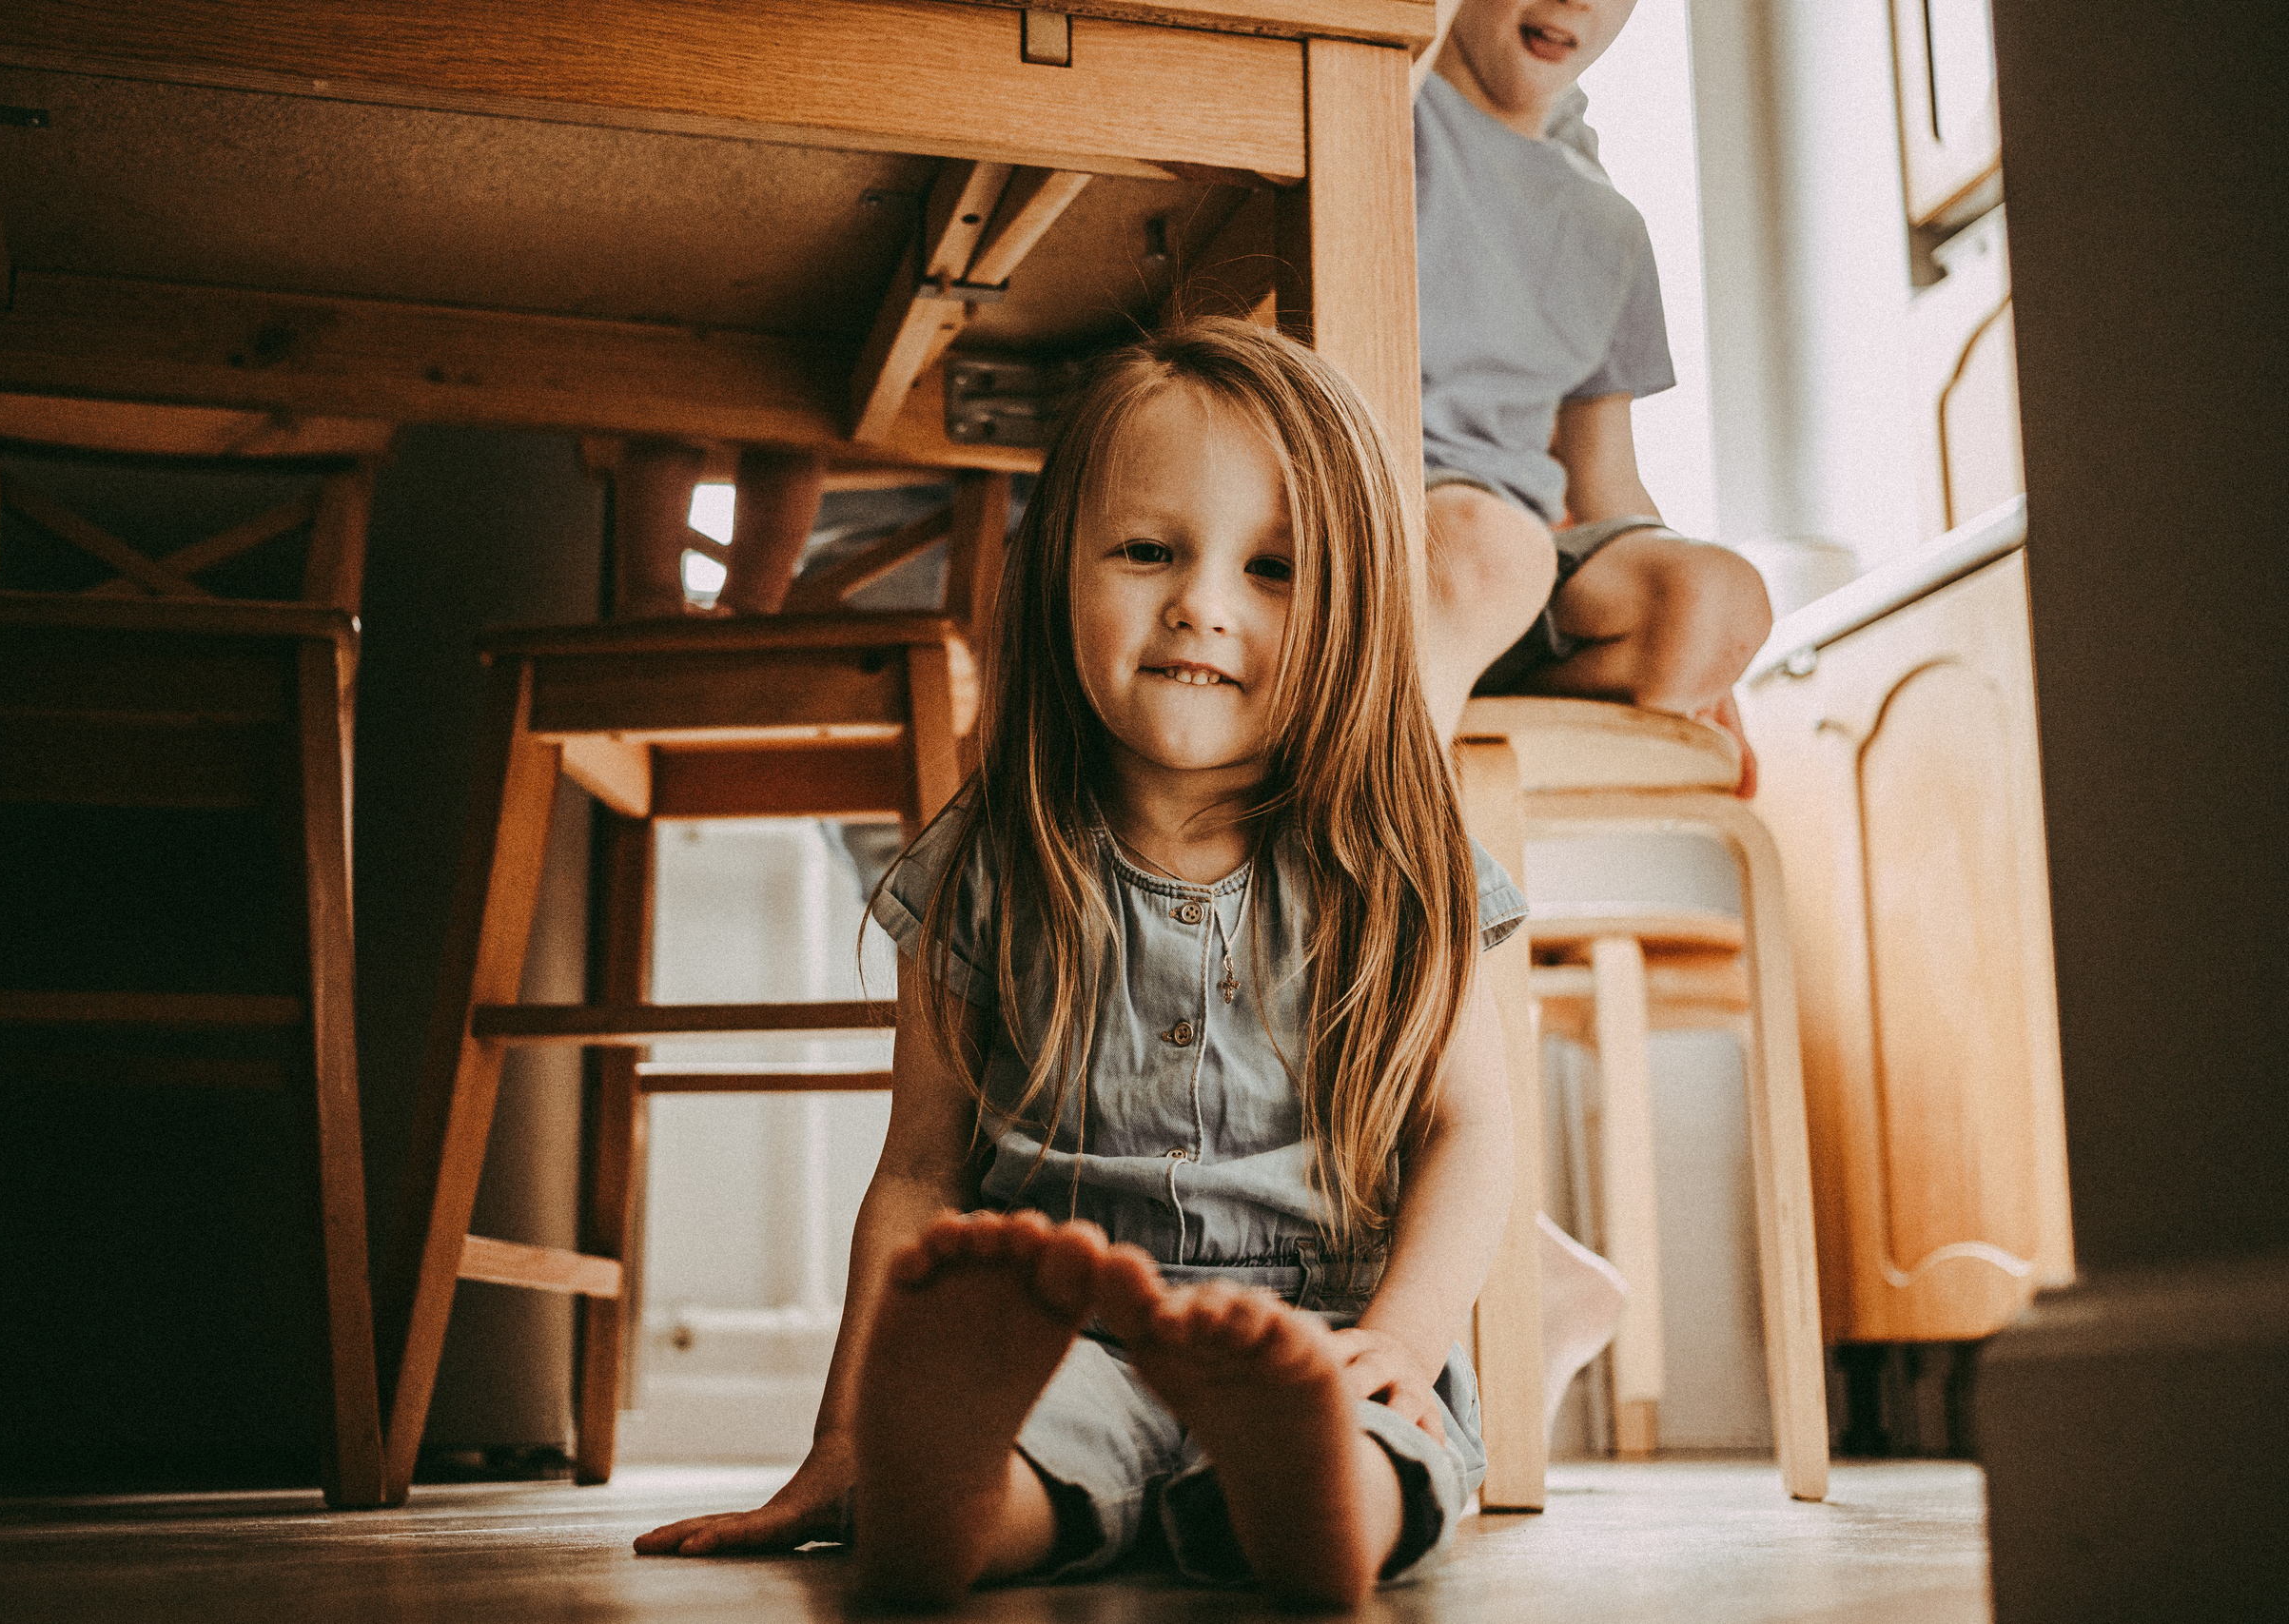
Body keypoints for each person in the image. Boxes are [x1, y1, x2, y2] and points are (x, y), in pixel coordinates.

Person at [633, 319, 1524, 1607]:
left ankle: (1316, 1500)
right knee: (1010, 1466)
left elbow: (1472, 1129)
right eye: (1150, 550)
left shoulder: (1393, 854)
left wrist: (1402, 1340)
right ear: (1056, 571)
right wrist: (838, 1442)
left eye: (1271, 568)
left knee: (1375, 1448)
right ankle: (932, 1499)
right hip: (1051, 1334)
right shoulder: (986, 860)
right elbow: (921, 1170)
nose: (1201, 603)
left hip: (1323, 1336)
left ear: (1354, 610)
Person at [1416, 0, 1774, 792]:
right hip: (1392, 534)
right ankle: (1404, 803)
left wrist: (1714, 658)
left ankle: (1448, 714)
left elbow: (1605, 482)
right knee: (1489, 547)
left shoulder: (1608, 226)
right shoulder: (1395, 104)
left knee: (1725, 596)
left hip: (1523, 565)